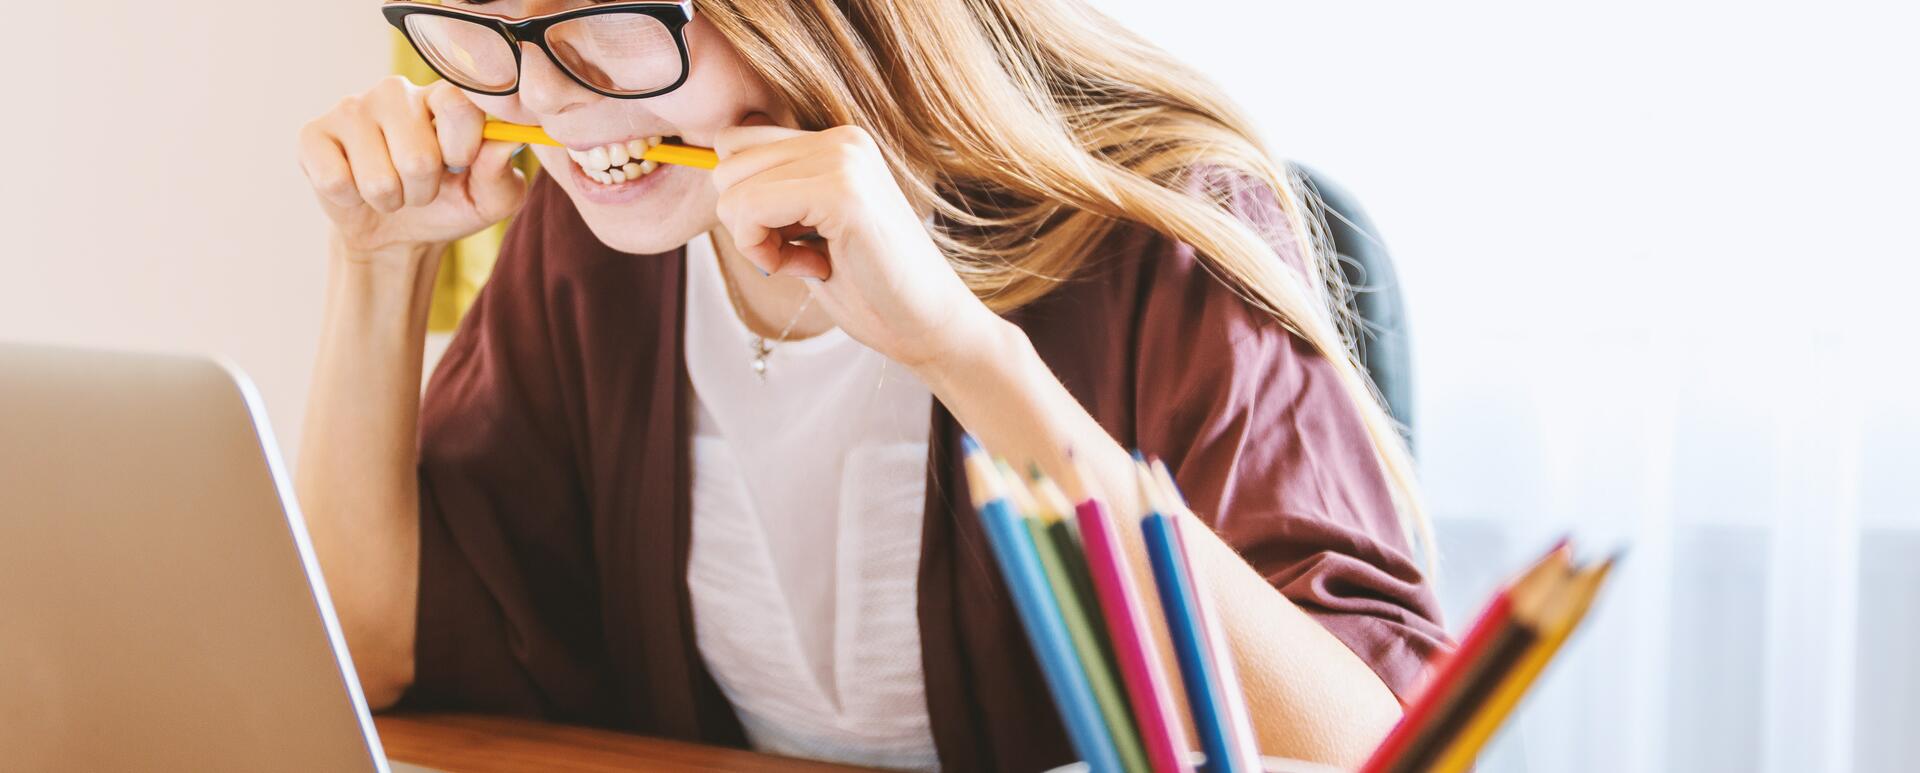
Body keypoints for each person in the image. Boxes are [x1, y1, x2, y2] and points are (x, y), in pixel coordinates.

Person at [293, 1, 1447, 769]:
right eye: (489, 26)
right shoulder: (596, 240)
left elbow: (1363, 747)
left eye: (605, 16)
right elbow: (371, 653)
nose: (544, 98)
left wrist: (961, 349)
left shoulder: (1156, 235)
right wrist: (378, 264)